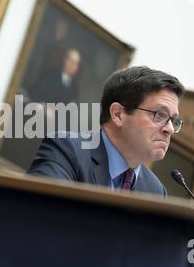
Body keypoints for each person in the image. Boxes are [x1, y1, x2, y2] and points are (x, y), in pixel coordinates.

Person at [27, 66, 185, 196]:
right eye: (159, 115)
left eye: (174, 121)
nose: (170, 129)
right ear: (118, 114)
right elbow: (40, 217)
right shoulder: (67, 150)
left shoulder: (156, 191)